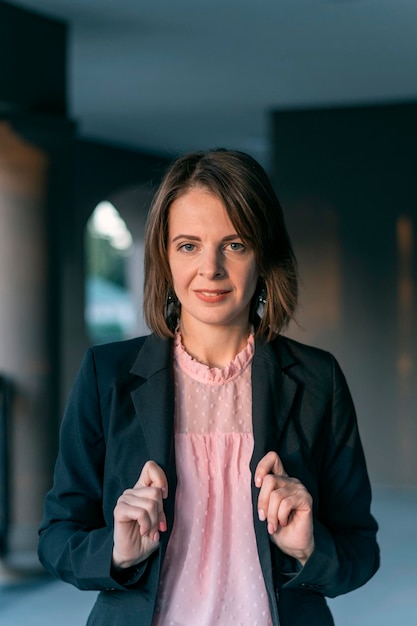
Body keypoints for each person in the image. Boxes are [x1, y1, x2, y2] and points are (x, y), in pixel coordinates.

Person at [38, 149, 379, 626]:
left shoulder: (318, 379)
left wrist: (309, 547)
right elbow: (57, 538)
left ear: (264, 254)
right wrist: (115, 549)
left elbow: (361, 552)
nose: (211, 268)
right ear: (164, 255)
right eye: (188, 245)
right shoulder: (105, 374)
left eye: (235, 244)